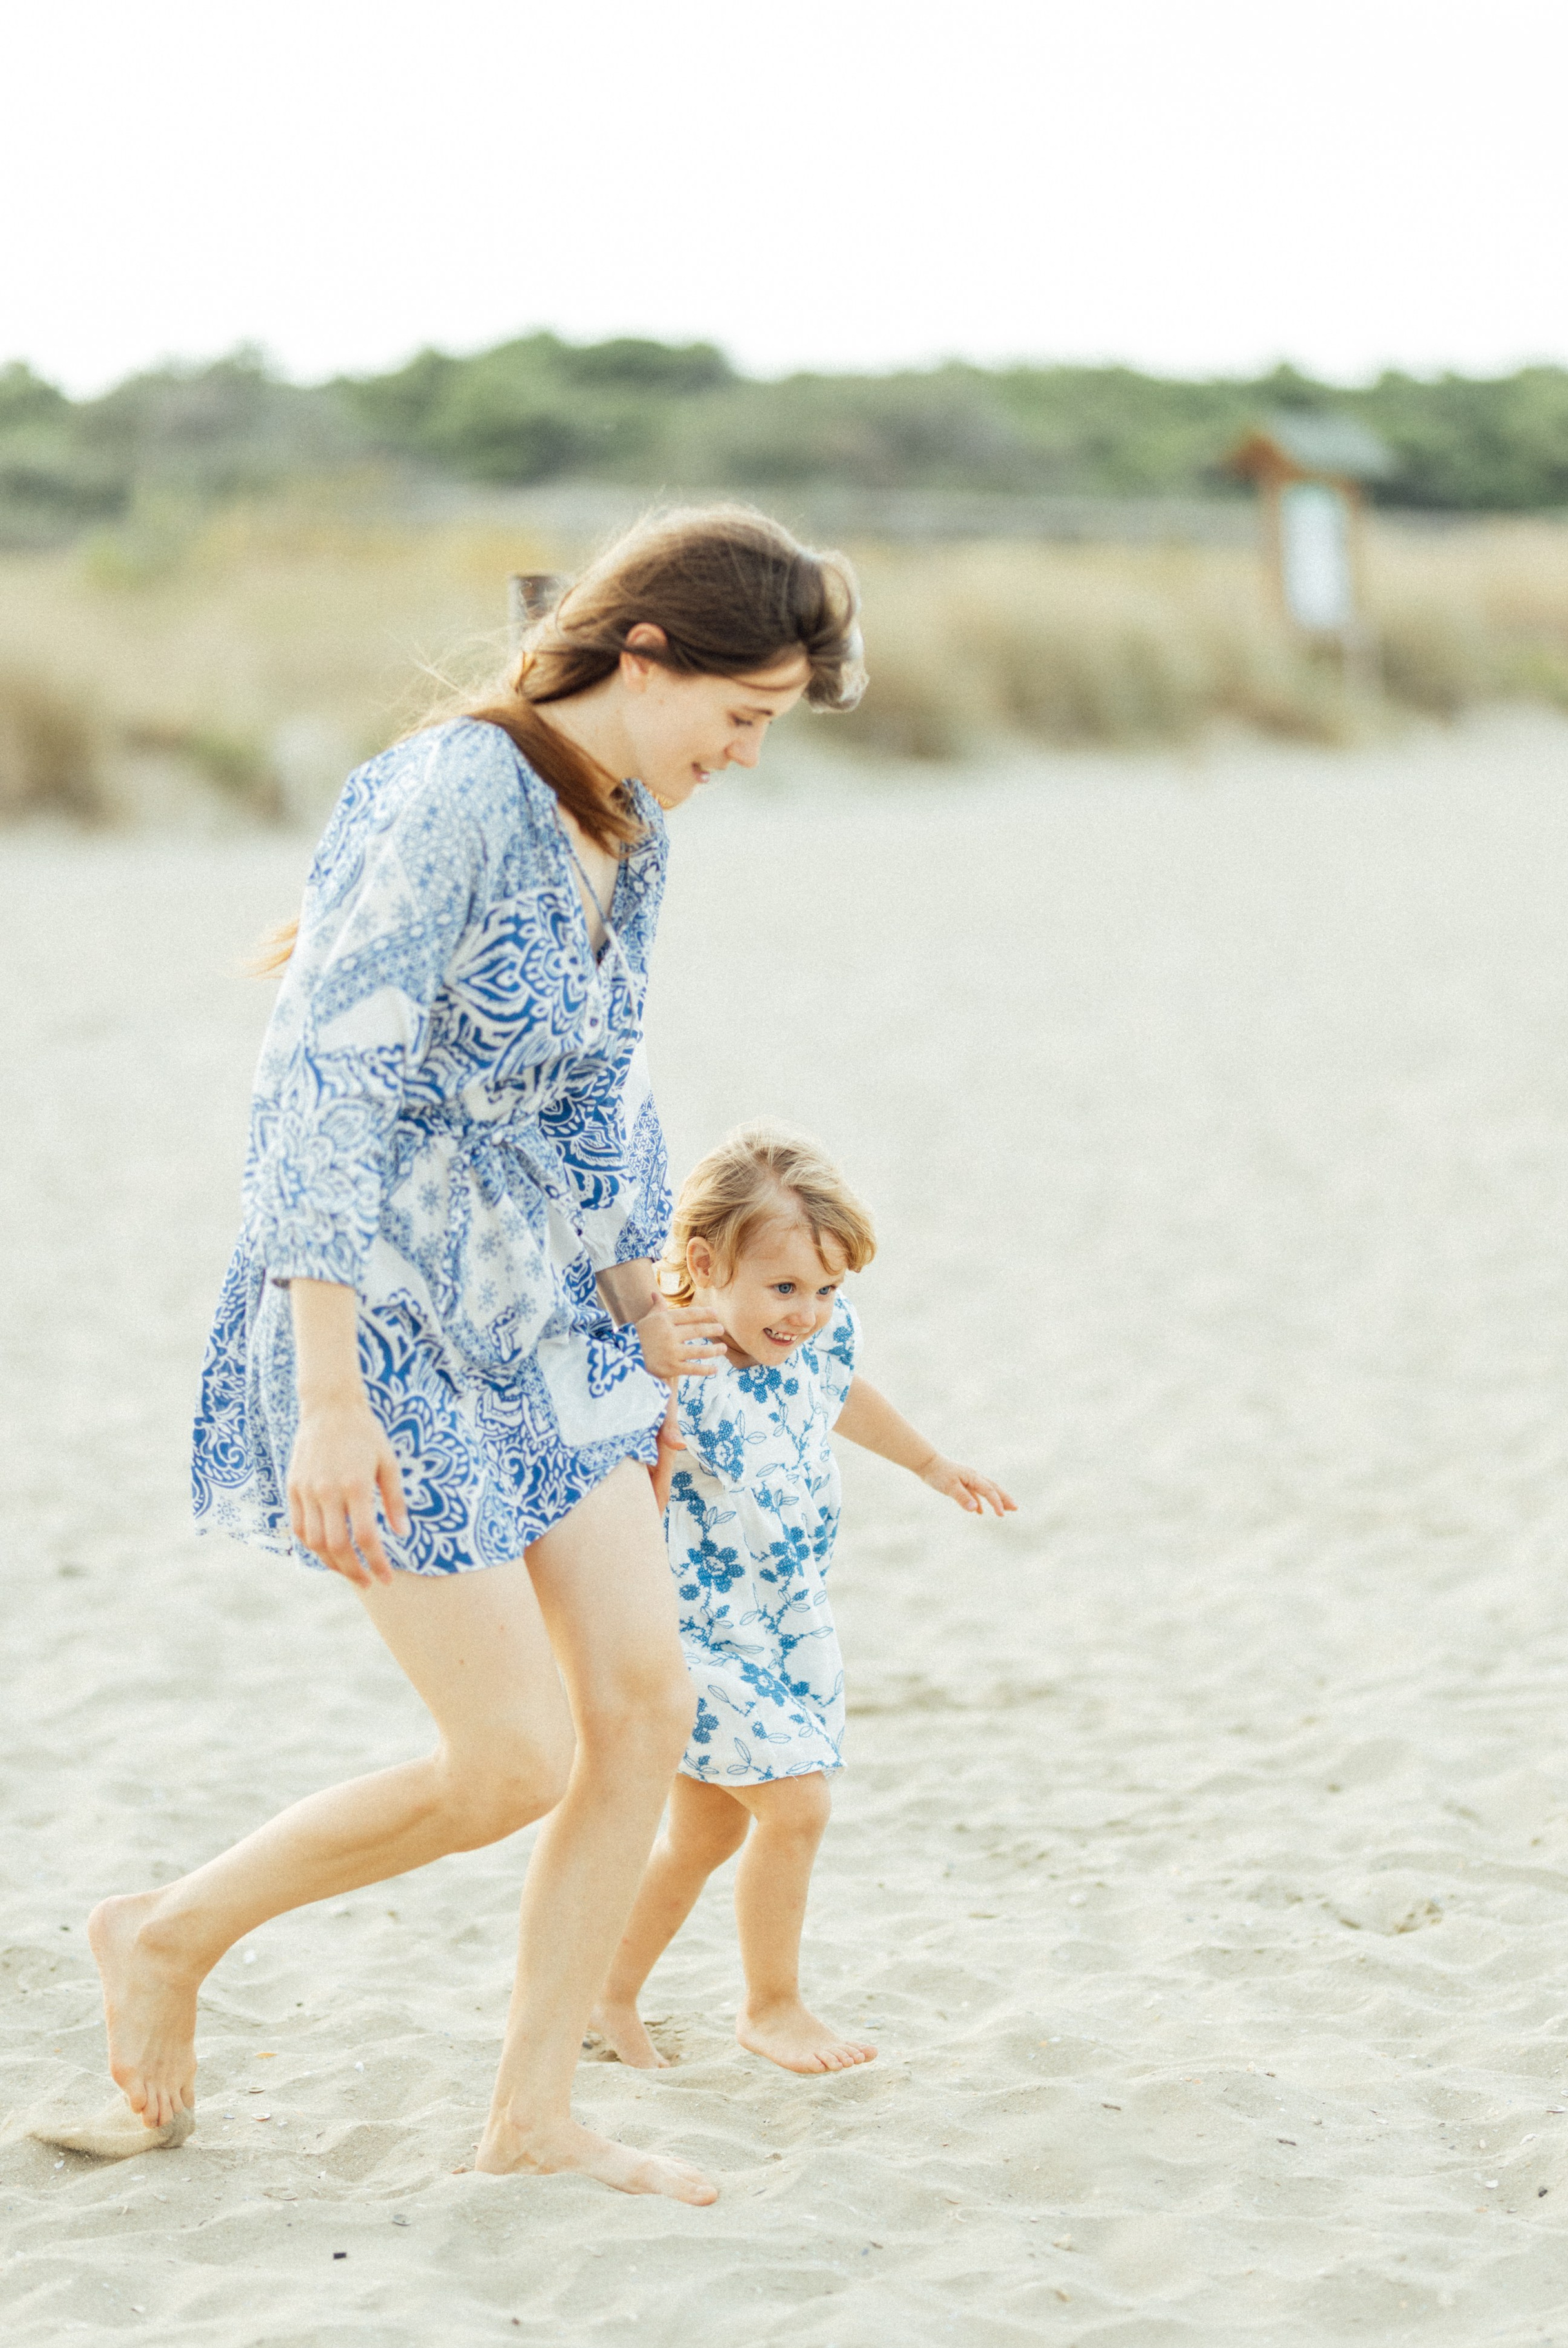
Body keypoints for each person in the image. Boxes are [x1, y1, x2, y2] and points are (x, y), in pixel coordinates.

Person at [80, 508, 864, 2205]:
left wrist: (644, 1320)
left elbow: (601, 1099)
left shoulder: (631, 826)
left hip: (553, 1320)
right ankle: (167, 1933)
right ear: (644, 653)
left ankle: (534, 2115)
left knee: (646, 1706)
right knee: (509, 1757)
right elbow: (323, 1089)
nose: (747, 753)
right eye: (742, 714)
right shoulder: (448, 796)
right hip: (379, 1324)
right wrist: (329, 1397)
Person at [590, 1123, 1016, 2076]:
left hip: (782, 1621)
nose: (809, 1313)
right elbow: (623, 1483)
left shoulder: (817, 1339)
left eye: (827, 1289)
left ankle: (605, 1990)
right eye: (784, 1288)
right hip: (693, 1632)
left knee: (706, 1831)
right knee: (797, 1805)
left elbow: (840, 1389)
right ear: (704, 1265)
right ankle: (771, 2007)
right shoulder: (676, 1362)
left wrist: (931, 1464)